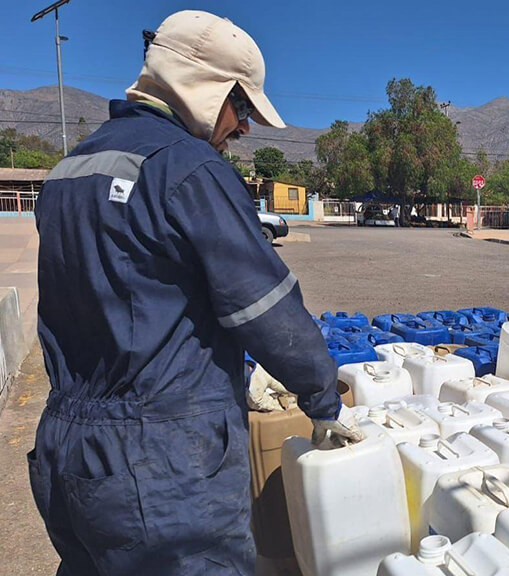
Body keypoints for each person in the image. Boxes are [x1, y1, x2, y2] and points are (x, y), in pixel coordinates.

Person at [29, 10, 362, 575]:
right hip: (160, 467)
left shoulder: (70, 168)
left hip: (69, 451)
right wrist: (322, 400)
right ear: (208, 90)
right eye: (243, 107)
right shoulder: (188, 168)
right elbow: (266, 307)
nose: (245, 127)